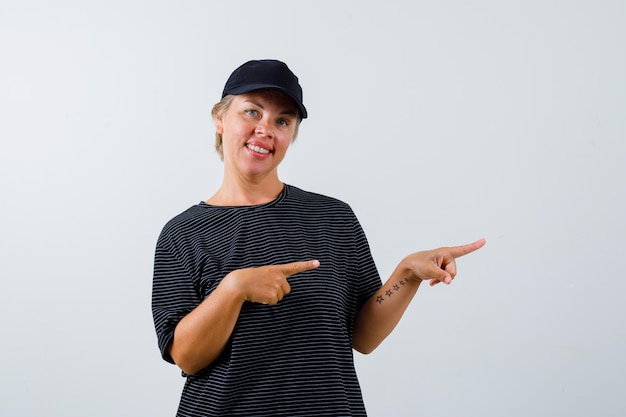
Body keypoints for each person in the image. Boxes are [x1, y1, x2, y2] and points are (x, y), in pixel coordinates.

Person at [152, 59, 485, 416]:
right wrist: (233, 290)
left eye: (282, 120)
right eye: (252, 112)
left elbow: (363, 337)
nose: (265, 129)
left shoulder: (333, 218)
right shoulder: (183, 234)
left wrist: (407, 274)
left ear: (291, 135)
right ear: (220, 119)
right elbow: (186, 357)